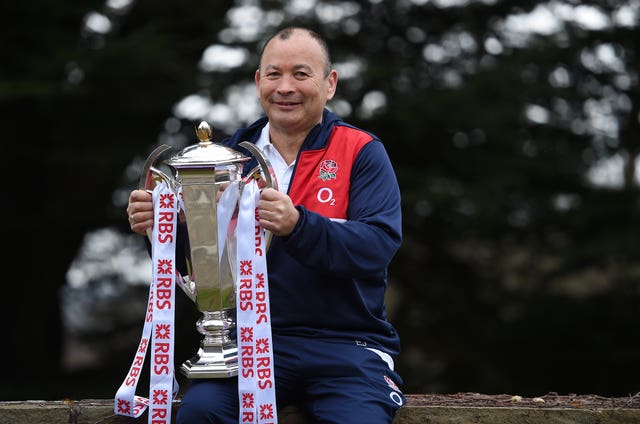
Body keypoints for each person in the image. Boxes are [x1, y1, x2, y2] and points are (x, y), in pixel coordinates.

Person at [126, 26, 405, 424]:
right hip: (250, 345)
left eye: (301, 74)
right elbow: (201, 263)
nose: (285, 87)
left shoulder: (361, 151)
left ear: (330, 84)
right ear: (259, 82)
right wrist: (163, 225)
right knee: (200, 414)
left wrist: (298, 225)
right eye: (274, 74)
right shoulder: (227, 161)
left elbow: (378, 244)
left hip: (347, 347)